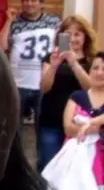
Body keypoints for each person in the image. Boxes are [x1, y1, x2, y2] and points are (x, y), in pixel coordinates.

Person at [37, 14, 97, 172]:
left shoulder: (92, 61)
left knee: (75, 169)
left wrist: (74, 63)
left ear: (85, 36)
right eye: (68, 34)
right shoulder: (51, 57)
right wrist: (54, 65)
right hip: (51, 120)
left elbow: (91, 89)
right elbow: (44, 87)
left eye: (77, 34)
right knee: (47, 165)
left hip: (80, 123)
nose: (73, 39)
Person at [0, 0, 60, 126]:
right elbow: (1, 46)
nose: (29, 3)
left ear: (41, 4)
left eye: (33, 0)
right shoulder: (15, 23)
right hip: (19, 83)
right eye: (25, 0)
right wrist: (8, 21)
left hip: (44, 83)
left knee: (42, 126)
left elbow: (62, 45)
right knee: (14, 126)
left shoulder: (54, 22)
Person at [59, 51, 104, 186]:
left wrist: (87, 126)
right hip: (75, 160)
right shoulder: (77, 97)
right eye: (95, 68)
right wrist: (97, 128)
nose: (99, 73)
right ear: (89, 71)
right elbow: (68, 128)